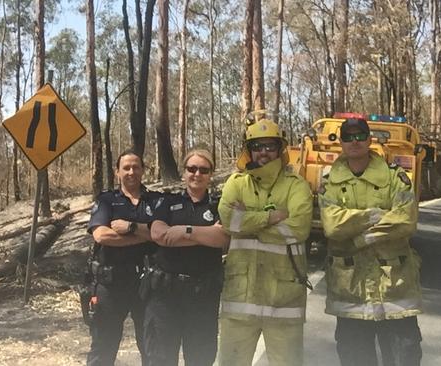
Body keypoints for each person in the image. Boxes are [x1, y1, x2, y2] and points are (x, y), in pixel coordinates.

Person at [319, 117, 423, 366]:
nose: (354, 142)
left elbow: (405, 220)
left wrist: (358, 236)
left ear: (369, 139)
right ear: (341, 142)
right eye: (348, 137)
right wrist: (376, 215)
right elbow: (332, 226)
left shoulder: (395, 177)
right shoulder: (329, 181)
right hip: (350, 292)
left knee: (404, 359)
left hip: (395, 288)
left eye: (360, 136)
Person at [217, 113, 313, 366]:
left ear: (280, 148)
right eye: (257, 146)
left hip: (284, 300)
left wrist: (247, 221)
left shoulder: (297, 186)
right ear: (248, 151)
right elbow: (229, 221)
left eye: (269, 146)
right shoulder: (236, 183)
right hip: (240, 299)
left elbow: (298, 229)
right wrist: (272, 217)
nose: (263, 152)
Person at [145, 149, 229, 366]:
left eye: (203, 169)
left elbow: (222, 238)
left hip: (203, 295)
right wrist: (205, 235)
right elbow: (159, 235)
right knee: (161, 359)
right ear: (184, 172)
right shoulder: (166, 202)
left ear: (211, 174)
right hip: (165, 295)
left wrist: (184, 231)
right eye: (191, 168)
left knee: (200, 359)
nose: (197, 174)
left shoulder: (220, 205)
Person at [86, 150, 161, 366]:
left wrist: (128, 228)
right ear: (117, 171)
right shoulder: (106, 200)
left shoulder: (155, 201)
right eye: (126, 167)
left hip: (147, 285)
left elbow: (163, 234)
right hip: (111, 285)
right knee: (103, 348)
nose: (131, 172)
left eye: (136, 167)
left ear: (143, 170)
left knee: (152, 348)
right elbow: (102, 235)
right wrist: (145, 235)